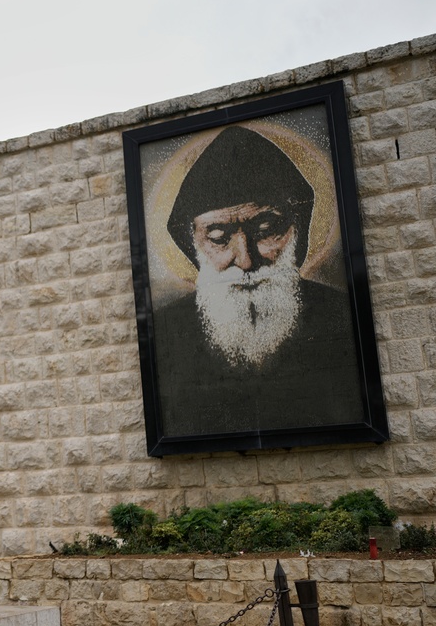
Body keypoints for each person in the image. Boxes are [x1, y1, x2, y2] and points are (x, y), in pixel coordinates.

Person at [154, 125, 363, 437]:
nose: (247, 260)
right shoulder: (164, 331)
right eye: (218, 238)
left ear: (298, 229)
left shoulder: (345, 318)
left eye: (266, 228)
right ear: (193, 245)